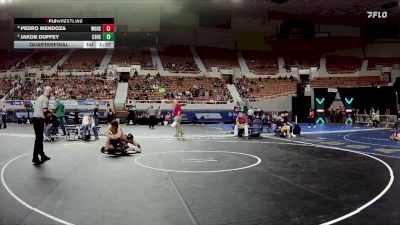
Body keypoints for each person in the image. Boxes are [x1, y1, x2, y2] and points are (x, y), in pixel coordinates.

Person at [32, 86, 52, 165]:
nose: (51, 95)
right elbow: (44, 110)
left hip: (35, 119)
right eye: (51, 93)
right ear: (49, 92)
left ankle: (42, 155)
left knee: (39, 139)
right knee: (38, 139)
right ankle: (35, 157)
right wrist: (48, 118)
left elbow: (41, 108)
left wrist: (49, 110)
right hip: (39, 120)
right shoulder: (46, 99)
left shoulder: (40, 97)